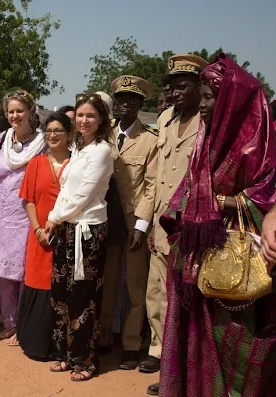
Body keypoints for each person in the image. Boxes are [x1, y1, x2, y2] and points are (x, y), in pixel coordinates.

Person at [159, 54, 276, 397]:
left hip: (243, 269)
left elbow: (265, 196)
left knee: (240, 351)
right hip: (199, 264)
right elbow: (186, 191)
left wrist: (215, 203)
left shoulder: (260, 147)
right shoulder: (205, 140)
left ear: (232, 101)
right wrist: (188, 208)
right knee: (198, 344)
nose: (204, 104)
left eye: (211, 98)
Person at [144, 54, 207, 396]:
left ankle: (182, 367)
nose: (176, 93)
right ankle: (160, 355)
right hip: (162, 224)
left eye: (183, 86)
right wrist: (151, 223)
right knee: (157, 295)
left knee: (185, 301)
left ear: (200, 87)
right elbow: (157, 177)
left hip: (191, 229)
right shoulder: (166, 118)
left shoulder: (207, 122)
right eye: (172, 87)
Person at [44, 93, 113, 382]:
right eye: (81, 115)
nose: (84, 121)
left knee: (83, 297)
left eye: (91, 116)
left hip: (88, 233)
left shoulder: (102, 151)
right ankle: (62, 354)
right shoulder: (80, 149)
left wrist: (53, 217)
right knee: (60, 293)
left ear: (101, 120)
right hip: (66, 229)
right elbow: (65, 192)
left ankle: (85, 360)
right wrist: (55, 219)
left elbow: (83, 196)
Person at [100, 75, 159, 371]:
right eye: (120, 99)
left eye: (131, 100)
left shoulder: (150, 140)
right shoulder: (104, 133)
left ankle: (132, 344)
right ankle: (103, 337)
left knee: (136, 287)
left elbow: (151, 186)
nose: (124, 105)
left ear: (139, 105)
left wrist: (141, 226)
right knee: (107, 281)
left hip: (134, 221)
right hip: (107, 220)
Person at [0, 89, 47, 343]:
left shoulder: (43, 143)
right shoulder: (2, 139)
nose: (15, 116)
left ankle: (24, 324)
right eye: (11, 111)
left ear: (30, 111)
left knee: (25, 272)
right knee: (4, 274)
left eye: (20, 111)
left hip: (28, 214)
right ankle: (9, 321)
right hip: (2, 214)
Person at [16, 112, 71, 359]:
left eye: (58, 130)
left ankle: (62, 346)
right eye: (48, 131)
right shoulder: (36, 163)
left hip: (68, 237)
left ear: (70, 134)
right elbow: (28, 199)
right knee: (38, 283)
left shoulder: (78, 163)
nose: (52, 135)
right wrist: (38, 229)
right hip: (39, 237)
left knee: (63, 287)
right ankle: (34, 342)